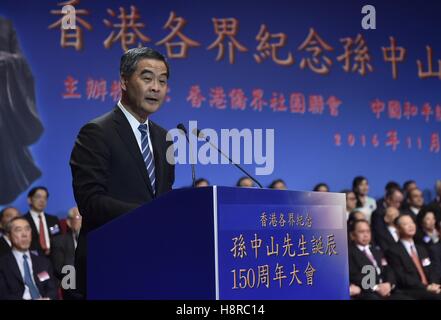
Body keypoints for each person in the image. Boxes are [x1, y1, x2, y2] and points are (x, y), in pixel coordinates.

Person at [70, 47, 175, 298]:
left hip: (153, 267)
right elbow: (90, 201)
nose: (156, 88)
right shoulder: (96, 132)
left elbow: (163, 198)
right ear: (124, 81)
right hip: (108, 263)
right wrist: (148, 215)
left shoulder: (164, 138)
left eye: (162, 81)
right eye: (147, 78)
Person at [348, 219, 409, 300]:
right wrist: (376, 287)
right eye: (361, 232)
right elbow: (355, 276)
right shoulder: (349, 253)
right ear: (352, 235)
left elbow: (388, 269)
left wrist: (388, 284)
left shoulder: (376, 250)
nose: (366, 235)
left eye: (368, 231)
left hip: (386, 289)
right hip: (368, 292)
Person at [0, 217, 57, 300]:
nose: (24, 234)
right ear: (9, 236)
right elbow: (3, 295)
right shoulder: (3, 264)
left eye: (27, 229)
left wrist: (48, 298)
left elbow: (52, 289)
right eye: (18, 230)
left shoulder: (43, 262)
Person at [385, 215, 441, 300]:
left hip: (430, 287)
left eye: (412, 223)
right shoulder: (393, 251)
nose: (411, 226)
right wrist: (426, 287)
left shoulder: (421, 249)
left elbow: (430, 269)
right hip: (410, 290)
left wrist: (434, 283)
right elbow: (402, 277)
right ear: (398, 229)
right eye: (405, 224)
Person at [50, 207, 82, 299]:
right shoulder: (59, 241)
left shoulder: (94, 238)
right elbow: (59, 269)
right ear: (69, 222)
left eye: (84, 217)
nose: (83, 220)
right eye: (78, 217)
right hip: (71, 283)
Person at [24, 187, 61, 257]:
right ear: (29, 200)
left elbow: (58, 238)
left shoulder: (53, 220)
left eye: (45, 198)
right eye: (38, 197)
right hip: (34, 258)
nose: (42, 200)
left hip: (54, 257)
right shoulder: (23, 221)